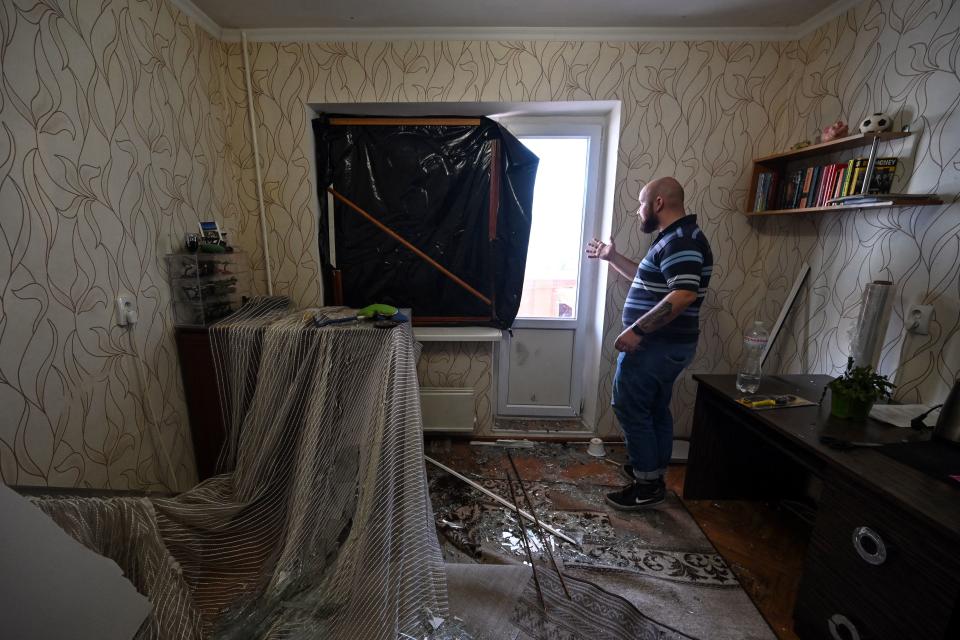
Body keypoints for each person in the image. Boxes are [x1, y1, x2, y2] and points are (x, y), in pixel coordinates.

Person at [585, 177, 713, 510]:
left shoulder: (681, 241)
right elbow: (652, 282)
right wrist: (612, 257)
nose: (637, 210)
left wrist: (638, 331)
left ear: (658, 203)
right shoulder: (674, 239)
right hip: (665, 346)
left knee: (629, 406)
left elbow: (682, 294)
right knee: (653, 408)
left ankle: (647, 484)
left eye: (641, 203)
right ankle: (652, 471)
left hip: (656, 346)